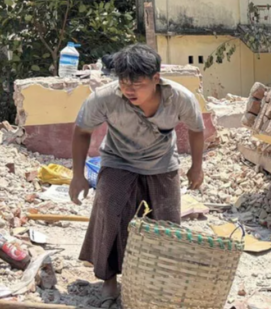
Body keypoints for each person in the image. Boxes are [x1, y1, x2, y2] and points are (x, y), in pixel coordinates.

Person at [69, 44, 205, 308]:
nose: (129, 89)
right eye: (123, 82)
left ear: (156, 78)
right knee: (111, 215)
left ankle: (158, 281)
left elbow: (197, 130)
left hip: (162, 163)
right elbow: (82, 131)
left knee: (167, 225)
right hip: (118, 161)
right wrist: (77, 175)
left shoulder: (180, 98)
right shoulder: (105, 97)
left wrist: (196, 166)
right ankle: (109, 278)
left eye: (137, 84)